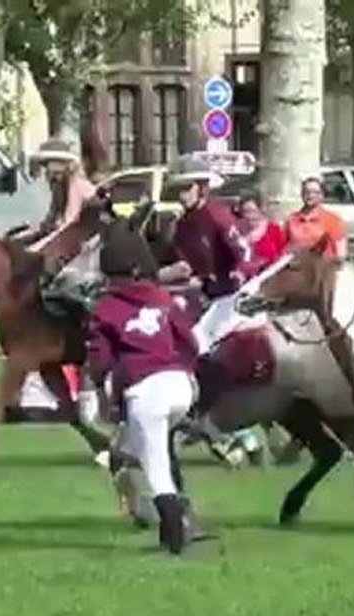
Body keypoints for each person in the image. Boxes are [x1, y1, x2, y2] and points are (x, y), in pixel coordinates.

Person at [86, 218, 199, 555]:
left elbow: (100, 360)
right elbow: (190, 343)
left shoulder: (105, 309)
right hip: (181, 387)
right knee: (147, 449)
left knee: (156, 470)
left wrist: (103, 391)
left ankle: (175, 538)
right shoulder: (164, 299)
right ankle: (176, 518)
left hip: (145, 391)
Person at [162, 156, 240, 300]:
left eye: (186, 188)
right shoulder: (181, 224)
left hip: (225, 296)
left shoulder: (218, 216)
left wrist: (236, 275)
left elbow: (243, 253)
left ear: (203, 188)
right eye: (178, 189)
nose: (181, 196)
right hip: (196, 296)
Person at [17, 138, 97, 247]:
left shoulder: (77, 185)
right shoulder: (56, 186)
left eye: (58, 173)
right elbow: (50, 215)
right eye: (50, 172)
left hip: (82, 240)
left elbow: (69, 221)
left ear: (67, 166)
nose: (55, 177)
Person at [285, 176, 349, 259]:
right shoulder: (291, 220)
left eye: (315, 192)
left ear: (322, 195)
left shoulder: (333, 220)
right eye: (306, 192)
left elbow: (340, 254)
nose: (310, 195)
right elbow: (284, 250)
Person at [230, 191, 288, 281]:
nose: (249, 216)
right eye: (245, 212)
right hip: (241, 284)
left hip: (269, 281)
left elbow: (283, 258)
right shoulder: (236, 232)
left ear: (261, 209)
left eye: (253, 211)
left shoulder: (274, 230)